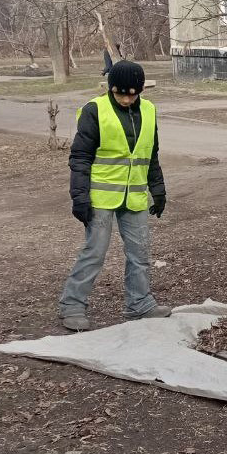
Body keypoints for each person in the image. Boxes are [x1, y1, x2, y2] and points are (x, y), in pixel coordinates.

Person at [58, 60, 171, 331]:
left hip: (134, 197)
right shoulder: (95, 110)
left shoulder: (149, 110)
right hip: (100, 197)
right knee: (94, 252)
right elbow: (80, 157)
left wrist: (158, 190)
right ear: (111, 88)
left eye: (133, 93)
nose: (126, 98)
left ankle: (139, 304)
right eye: (121, 93)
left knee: (139, 253)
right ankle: (72, 305)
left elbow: (150, 155)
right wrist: (79, 196)